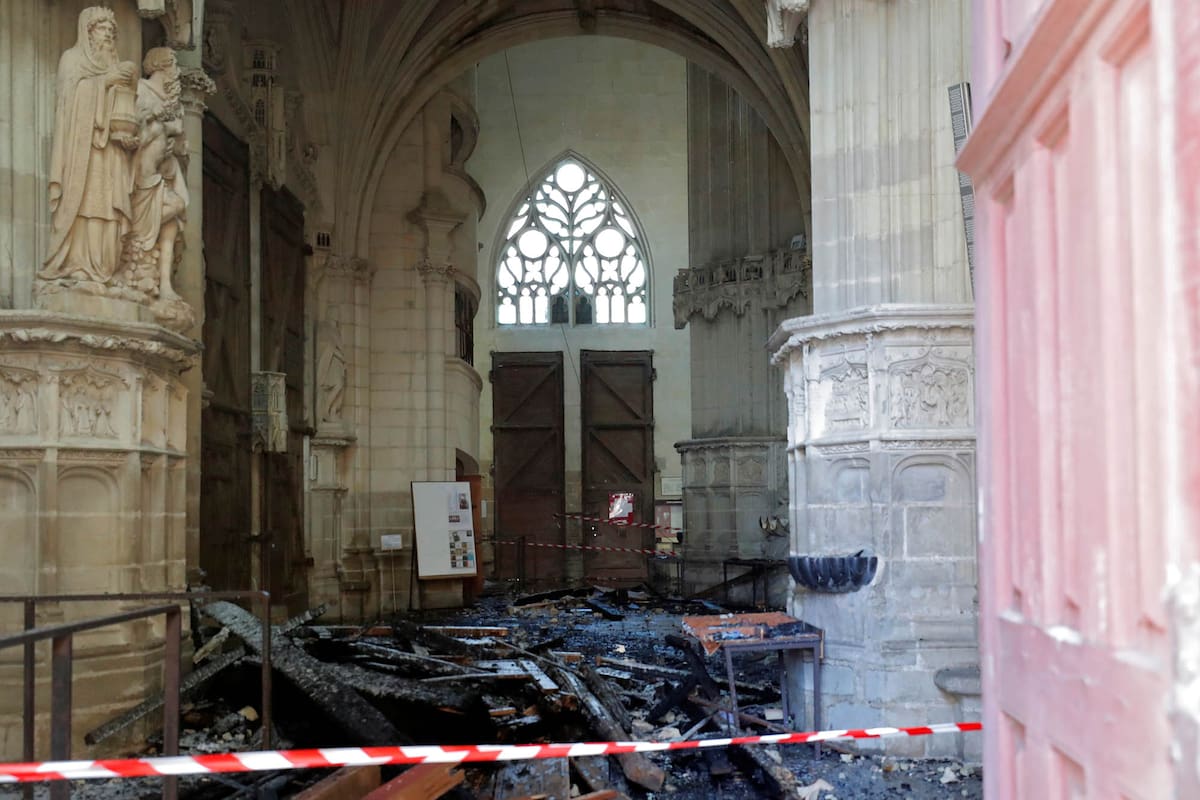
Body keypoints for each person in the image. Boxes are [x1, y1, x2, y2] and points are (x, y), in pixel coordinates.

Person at [42, 7, 139, 284]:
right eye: (102, 29)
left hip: (111, 154)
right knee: (87, 204)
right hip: (82, 153)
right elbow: (67, 104)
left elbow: (124, 114)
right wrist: (104, 83)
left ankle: (105, 270)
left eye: (112, 31)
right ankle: (78, 265)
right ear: (87, 32)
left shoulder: (114, 67)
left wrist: (128, 139)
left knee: (109, 208)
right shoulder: (71, 60)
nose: (108, 35)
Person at [126, 47, 189, 302]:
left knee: (174, 216)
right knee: (176, 205)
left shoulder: (172, 100)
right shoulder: (141, 90)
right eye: (172, 65)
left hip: (162, 174)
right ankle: (135, 236)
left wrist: (175, 145)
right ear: (159, 66)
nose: (176, 71)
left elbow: (182, 143)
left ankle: (165, 285)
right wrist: (158, 126)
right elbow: (132, 128)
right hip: (141, 176)